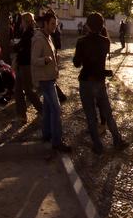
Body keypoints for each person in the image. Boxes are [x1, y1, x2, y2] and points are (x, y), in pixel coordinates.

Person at [73, 12, 127, 154]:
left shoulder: (81, 41)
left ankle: (97, 145)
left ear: (88, 25)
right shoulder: (105, 41)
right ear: (102, 24)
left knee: (91, 115)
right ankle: (117, 140)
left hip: (85, 80)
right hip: (99, 80)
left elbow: (76, 64)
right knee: (107, 113)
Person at [31, 12, 70, 153]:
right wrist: (45, 60)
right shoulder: (39, 39)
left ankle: (46, 134)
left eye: (56, 24)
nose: (55, 26)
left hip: (50, 77)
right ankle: (57, 141)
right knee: (56, 109)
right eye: (52, 24)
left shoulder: (48, 37)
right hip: (45, 79)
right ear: (45, 24)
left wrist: (54, 59)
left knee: (48, 108)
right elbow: (34, 60)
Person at [13, 12, 42, 121]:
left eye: (22, 21)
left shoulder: (29, 33)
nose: (21, 23)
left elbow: (21, 48)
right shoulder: (27, 32)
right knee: (18, 90)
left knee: (28, 90)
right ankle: (21, 115)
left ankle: (42, 110)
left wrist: (16, 46)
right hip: (23, 64)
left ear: (25, 21)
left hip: (26, 65)